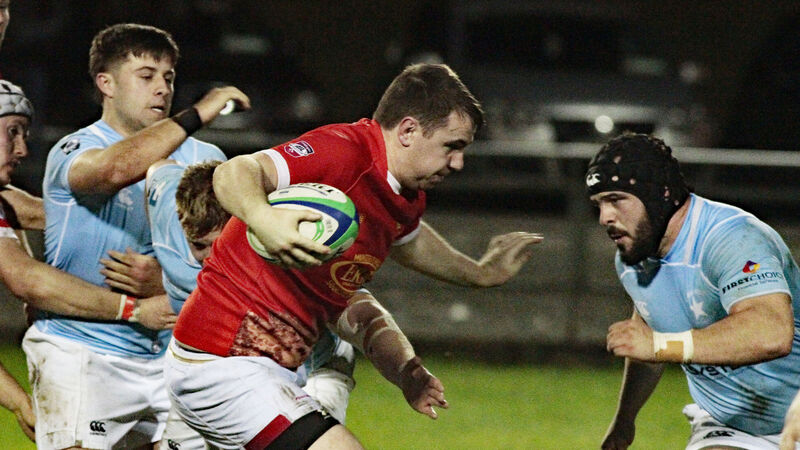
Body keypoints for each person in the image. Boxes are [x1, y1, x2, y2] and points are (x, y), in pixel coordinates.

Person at [164, 62, 542, 449]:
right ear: (409, 130)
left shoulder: (404, 198)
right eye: (453, 146)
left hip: (272, 371)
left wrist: (478, 272)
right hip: (222, 362)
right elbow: (233, 172)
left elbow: (411, 242)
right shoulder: (343, 152)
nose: (458, 162)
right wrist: (264, 219)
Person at [26, 23, 249, 449]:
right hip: (83, 353)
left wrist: (167, 282)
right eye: (146, 76)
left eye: (168, 78)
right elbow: (113, 170)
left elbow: (230, 259)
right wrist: (198, 113)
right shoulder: (75, 150)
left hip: (174, 355)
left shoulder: (205, 159)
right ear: (105, 83)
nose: (162, 89)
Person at [586, 133, 800, 450]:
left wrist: (660, 345)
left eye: (616, 199)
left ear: (659, 195)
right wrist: (624, 421)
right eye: (599, 204)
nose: (605, 217)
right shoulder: (633, 259)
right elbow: (649, 336)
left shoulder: (731, 237)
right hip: (728, 424)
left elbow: (771, 334)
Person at [140, 159, 360, 449]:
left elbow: (345, 302)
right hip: (212, 369)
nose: (210, 257)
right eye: (199, 245)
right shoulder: (165, 200)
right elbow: (157, 170)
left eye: (219, 243)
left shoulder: (274, 254)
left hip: (309, 365)